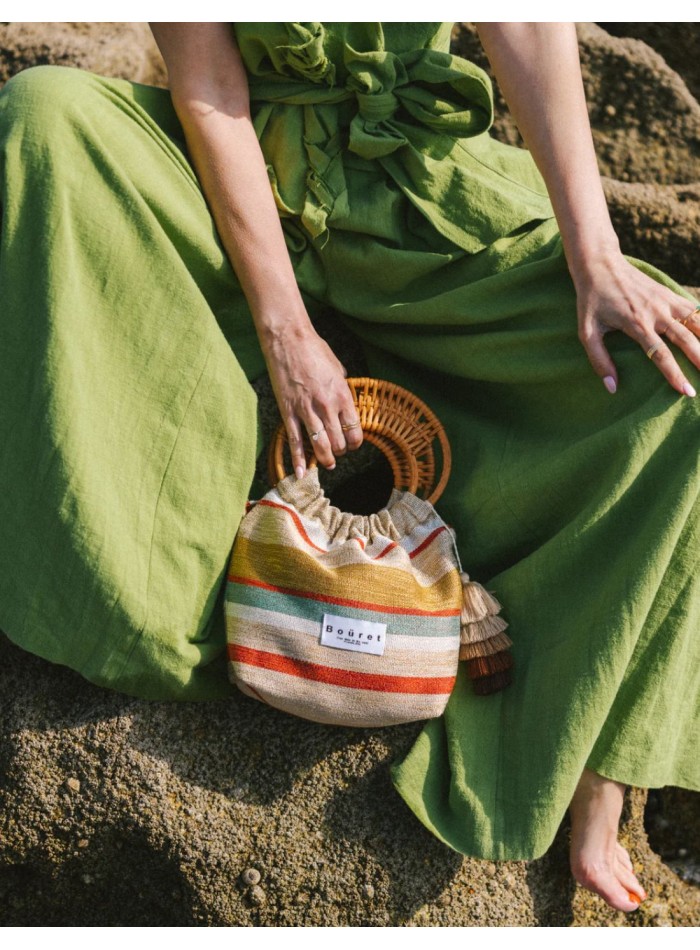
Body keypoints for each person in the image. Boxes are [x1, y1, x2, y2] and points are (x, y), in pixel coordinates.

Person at [0, 22, 697, 914]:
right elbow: (210, 89)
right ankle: (144, 602)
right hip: (225, 183)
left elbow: (524, 18)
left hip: (410, 199)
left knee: (676, 380)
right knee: (44, 111)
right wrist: (286, 334)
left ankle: (600, 765)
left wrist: (594, 253)